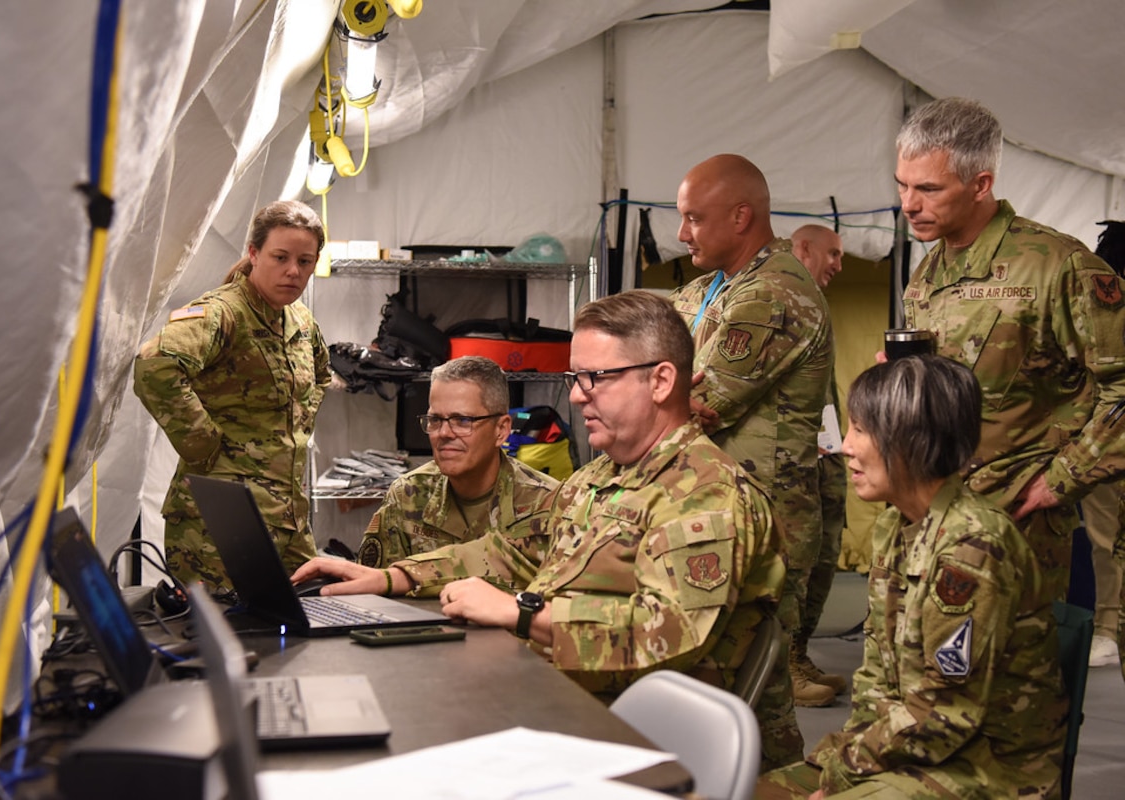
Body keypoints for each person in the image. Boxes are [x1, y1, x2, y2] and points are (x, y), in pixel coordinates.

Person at [292, 289, 803, 769]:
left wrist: (522, 612)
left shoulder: (706, 494)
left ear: (661, 381)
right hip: (570, 703)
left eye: (595, 378)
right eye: (574, 379)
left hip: (640, 741)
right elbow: (515, 550)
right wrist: (390, 578)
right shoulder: (598, 478)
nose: (578, 398)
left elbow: (666, 635)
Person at [757, 355, 1066, 799]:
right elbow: (878, 683)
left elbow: (944, 714)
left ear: (912, 441)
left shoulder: (972, 547)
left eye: (861, 430)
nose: (845, 447)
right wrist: (838, 763)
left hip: (984, 773)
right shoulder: (895, 526)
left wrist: (843, 774)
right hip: (906, 755)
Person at [894, 97, 1125, 607]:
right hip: (942, 514)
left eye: (928, 188)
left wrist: (1062, 479)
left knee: (1018, 677)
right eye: (903, 185)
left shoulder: (1057, 267)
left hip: (1020, 525)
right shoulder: (928, 276)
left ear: (981, 184)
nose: (909, 203)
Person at [671, 155, 835, 707]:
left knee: (751, 699)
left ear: (741, 217)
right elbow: (639, 353)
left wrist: (656, 388)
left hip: (763, 521)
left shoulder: (774, 292)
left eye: (694, 218)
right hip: (720, 509)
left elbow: (693, 408)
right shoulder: (713, 289)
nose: (680, 233)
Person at [134, 200, 330, 592]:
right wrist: (203, 444)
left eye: (305, 261)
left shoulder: (300, 321)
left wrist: (288, 429)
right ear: (254, 253)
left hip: (289, 522)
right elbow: (154, 367)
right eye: (281, 257)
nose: (294, 271)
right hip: (221, 526)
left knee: (301, 634)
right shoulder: (222, 314)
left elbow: (321, 377)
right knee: (226, 639)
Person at [353, 355, 559, 569]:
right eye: (435, 420)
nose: (444, 433)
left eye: (463, 420)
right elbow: (376, 590)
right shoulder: (408, 495)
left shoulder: (547, 504)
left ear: (501, 430)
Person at [788, 224, 849, 701]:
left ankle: (800, 652)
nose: (839, 265)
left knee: (824, 559)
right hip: (790, 461)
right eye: (833, 254)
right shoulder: (779, 296)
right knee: (794, 563)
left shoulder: (816, 304)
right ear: (803, 248)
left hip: (824, 454)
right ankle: (782, 666)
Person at [1083, 219, 1125, 668]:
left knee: (1105, 539)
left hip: (1104, 436)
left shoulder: (1102, 305)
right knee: (1104, 538)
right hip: (1105, 437)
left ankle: (1108, 628)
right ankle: (1108, 629)